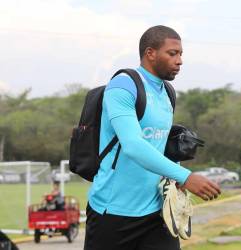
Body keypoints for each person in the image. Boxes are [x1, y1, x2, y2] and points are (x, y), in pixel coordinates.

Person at [84, 25, 221, 250]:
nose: (179, 61)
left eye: (181, 54)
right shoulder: (123, 85)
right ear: (150, 53)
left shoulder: (167, 92)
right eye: (172, 53)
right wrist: (186, 176)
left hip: (156, 212)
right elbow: (134, 145)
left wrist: (175, 178)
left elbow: (159, 143)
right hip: (113, 212)